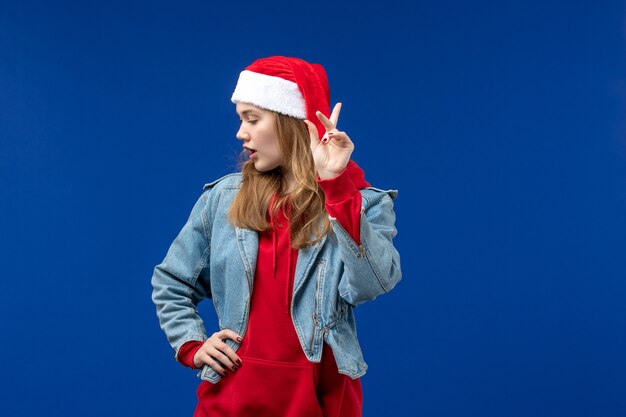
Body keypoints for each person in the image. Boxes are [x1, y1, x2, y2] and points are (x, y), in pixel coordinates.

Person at [151, 56, 402, 417]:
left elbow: (372, 283)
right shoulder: (223, 199)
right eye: (240, 119)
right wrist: (191, 344)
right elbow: (171, 281)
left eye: (252, 119)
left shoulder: (361, 202)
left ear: (293, 125)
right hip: (231, 400)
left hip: (320, 402)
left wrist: (337, 187)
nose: (241, 132)